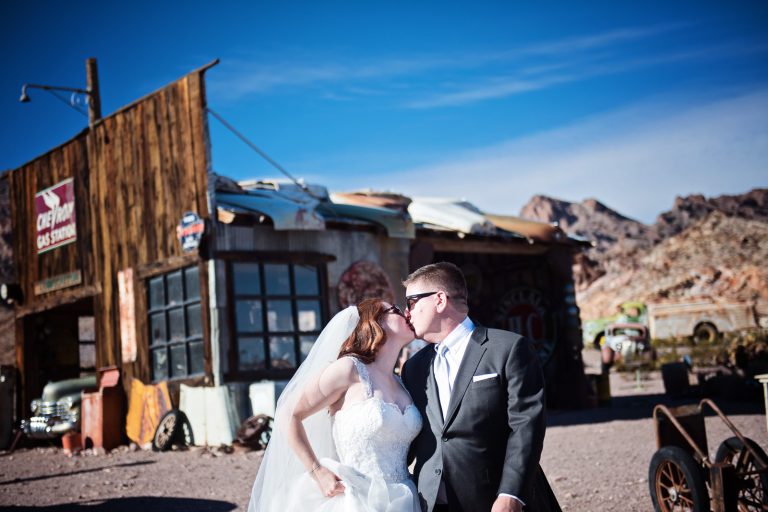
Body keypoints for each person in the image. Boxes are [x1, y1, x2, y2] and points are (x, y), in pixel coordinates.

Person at [401, 262, 561, 512]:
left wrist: (511, 494)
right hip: (432, 503)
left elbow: (526, 426)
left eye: (411, 302)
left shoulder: (508, 349)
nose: (406, 313)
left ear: (439, 300)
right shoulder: (413, 368)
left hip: (497, 500)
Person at [247, 299, 422, 512]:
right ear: (375, 322)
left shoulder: (402, 383)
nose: (406, 313)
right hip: (356, 499)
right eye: (395, 310)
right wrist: (317, 471)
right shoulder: (349, 369)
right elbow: (288, 413)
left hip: (402, 499)